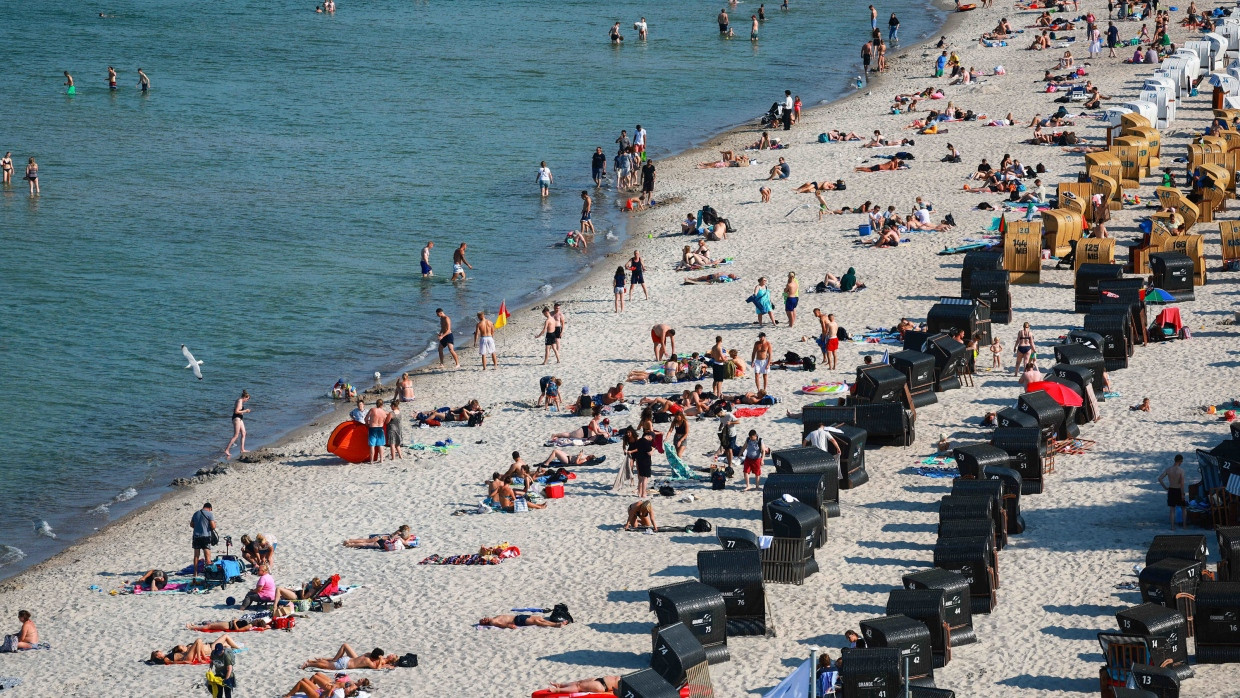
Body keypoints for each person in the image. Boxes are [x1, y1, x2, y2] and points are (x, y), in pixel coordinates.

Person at [149, 635, 240, 665]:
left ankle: (202, 657)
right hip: (186, 658)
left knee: (199, 641)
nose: (160, 651)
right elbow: (173, 663)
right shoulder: (165, 659)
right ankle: (201, 658)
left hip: (186, 656)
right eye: (158, 652)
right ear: (158, 656)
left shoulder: (168, 655)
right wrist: (185, 662)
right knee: (198, 640)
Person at [301, 644, 398, 671]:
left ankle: (314, 661)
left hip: (349, 660)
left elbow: (381, 666)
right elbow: (376, 668)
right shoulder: (369, 661)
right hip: (345, 663)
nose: (391, 654)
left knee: (344, 646)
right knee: (326, 666)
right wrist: (381, 661)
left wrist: (386, 665)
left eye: (392, 655)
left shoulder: (368, 655)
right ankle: (309, 664)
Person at [281, 673, 371, 698]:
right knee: (304, 679)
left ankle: (288, 695)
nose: (347, 688)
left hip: (318, 696)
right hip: (321, 691)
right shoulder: (342, 691)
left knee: (302, 683)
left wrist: (330, 690)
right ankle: (294, 692)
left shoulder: (341, 695)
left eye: (348, 689)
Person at [1158, 454, 1187, 529]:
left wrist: (1165, 487)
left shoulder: (1169, 469)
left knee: (1172, 509)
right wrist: (1182, 494)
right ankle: (1184, 526)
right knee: (1183, 508)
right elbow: (1182, 483)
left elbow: (1160, 478)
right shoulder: (1181, 470)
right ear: (1180, 461)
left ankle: (1172, 526)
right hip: (1178, 490)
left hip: (1171, 489)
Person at [190, 502, 216, 578]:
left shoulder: (196, 513)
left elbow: (191, 525)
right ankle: (208, 572)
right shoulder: (209, 514)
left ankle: (195, 573)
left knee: (196, 555)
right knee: (207, 555)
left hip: (196, 536)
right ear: (210, 508)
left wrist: (199, 526)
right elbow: (213, 527)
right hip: (205, 536)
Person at [223, 390, 250, 459]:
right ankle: (227, 450)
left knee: (244, 433)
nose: (247, 400)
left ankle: (242, 449)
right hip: (236, 418)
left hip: (240, 418)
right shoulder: (239, 401)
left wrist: (243, 412)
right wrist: (245, 411)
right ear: (245, 397)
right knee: (236, 435)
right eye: (247, 399)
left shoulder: (240, 401)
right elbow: (236, 411)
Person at [629, 430, 655, 498]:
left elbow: (637, 449)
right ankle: (643, 494)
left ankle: (639, 493)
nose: (651, 440)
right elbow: (649, 453)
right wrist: (653, 449)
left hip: (639, 460)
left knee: (640, 477)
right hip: (645, 461)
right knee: (645, 478)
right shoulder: (646, 442)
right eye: (652, 438)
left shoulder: (639, 440)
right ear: (650, 436)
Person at [342, 525, 415, 550]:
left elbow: (391, 536)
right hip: (382, 544)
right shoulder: (400, 537)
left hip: (381, 537)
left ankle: (350, 540)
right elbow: (406, 544)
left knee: (366, 540)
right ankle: (350, 545)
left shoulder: (397, 532)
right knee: (365, 544)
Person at [364, 399, 388, 463]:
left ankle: (371, 461)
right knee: (380, 445)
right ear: (382, 405)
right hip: (380, 428)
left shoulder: (372, 410)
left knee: (372, 445)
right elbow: (385, 420)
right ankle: (381, 460)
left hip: (372, 428)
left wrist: (367, 424)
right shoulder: (383, 412)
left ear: (376, 404)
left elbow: (366, 419)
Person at [479, 614, 566, 629]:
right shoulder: (493, 621)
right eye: (483, 621)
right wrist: (509, 626)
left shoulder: (494, 617)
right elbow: (501, 624)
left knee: (539, 618)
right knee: (536, 621)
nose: (484, 619)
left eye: (483, 618)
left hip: (519, 616)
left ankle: (557, 624)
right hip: (517, 620)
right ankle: (556, 625)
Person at [549, 677, 621, 694]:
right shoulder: (630, 679)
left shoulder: (628, 686)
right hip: (600, 680)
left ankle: (557, 690)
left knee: (579, 687)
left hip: (602, 686)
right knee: (579, 682)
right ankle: (560, 685)